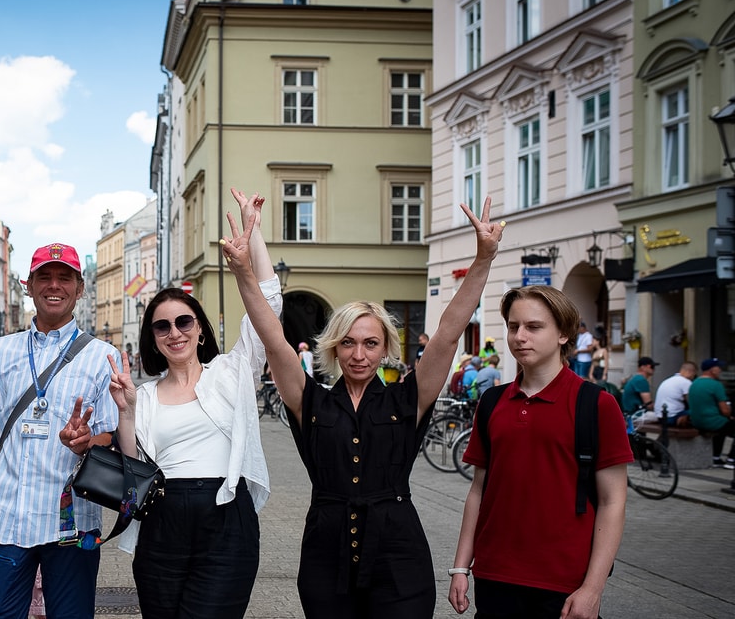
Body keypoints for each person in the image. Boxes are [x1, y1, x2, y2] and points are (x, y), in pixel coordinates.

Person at [225, 194, 503, 617]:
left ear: (385, 348)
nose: (359, 354)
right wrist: (245, 272)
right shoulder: (311, 401)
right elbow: (273, 340)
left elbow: (448, 333)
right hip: (325, 553)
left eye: (371, 343)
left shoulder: (407, 398)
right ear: (334, 348)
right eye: (349, 343)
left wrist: (483, 259)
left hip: (399, 556)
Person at [0, 242, 120, 619]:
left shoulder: (103, 356)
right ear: (28, 286)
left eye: (65, 278)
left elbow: (112, 436)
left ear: (80, 288)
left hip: (71, 524)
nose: (54, 285)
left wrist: (85, 441)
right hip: (5, 518)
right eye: (45, 277)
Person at [105, 188, 276, 617]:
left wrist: (252, 237)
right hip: (162, 524)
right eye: (162, 327)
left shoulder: (232, 373)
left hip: (225, 519)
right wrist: (125, 411)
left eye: (184, 321)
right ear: (154, 340)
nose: (174, 332)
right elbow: (133, 470)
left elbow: (269, 306)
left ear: (200, 328)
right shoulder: (143, 395)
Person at [448, 285, 632, 619]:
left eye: (534, 327)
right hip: (494, 575)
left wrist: (593, 589)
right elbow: (478, 490)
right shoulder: (492, 402)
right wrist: (461, 567)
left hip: (563, 582)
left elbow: (613, 502)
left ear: (563, 334)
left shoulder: (596, 404)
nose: (520, 336)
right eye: (513, 326)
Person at [688, 358, 734, 468]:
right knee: (724, 423)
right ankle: (732, 460)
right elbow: (725, 410)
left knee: (722, 428)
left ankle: (715, 457)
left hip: (696, 422)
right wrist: (730, 415)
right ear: (712, 370)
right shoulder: (716, 385)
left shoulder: (694, 383)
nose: (720, 371)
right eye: (719, 368)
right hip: (712, 422)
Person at [653, 361, 696, 427]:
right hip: (672, 417)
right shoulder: (686, 382)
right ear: (690, 372)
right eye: (694, 374)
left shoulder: (669, 380)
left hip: (660, 417)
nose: (693, 377)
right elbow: (691, 403)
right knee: (699, 410)